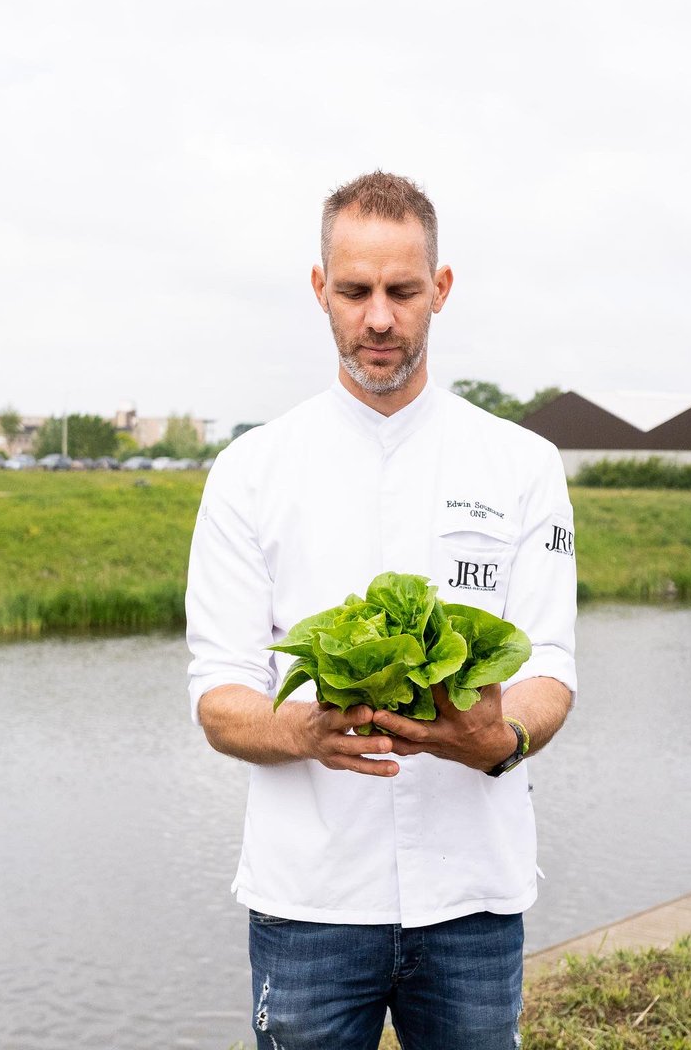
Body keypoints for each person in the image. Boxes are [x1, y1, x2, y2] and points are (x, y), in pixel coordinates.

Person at [186, 170, 577, 1050]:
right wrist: (302, 732)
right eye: (355, 291)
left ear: (440, 289)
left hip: (473, 899)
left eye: (402, 291)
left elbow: (550, 663)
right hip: (310, 900)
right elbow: (219, 691)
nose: (379, 318)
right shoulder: (251, 471)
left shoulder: (522, 464)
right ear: (320, 289)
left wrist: (501, 739)